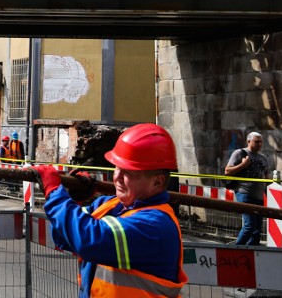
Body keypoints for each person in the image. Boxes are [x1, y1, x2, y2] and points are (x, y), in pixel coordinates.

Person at [34, 123, 187, 297]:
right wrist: (74, 200)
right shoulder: (109, 205)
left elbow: (88, 241)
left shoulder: (156, 226)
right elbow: (63, 237)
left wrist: (55, 193)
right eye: (117, 167)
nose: (117, 177)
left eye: (128, 172)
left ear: (157, 182)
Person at [224, 131, 269, 246]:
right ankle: (236, 250)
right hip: (244, 194)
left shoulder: (263, 158)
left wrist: (269, 195)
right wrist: (243, 165)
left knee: (257, 230)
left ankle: (253, 253)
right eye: (256, 141)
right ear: (248, 141)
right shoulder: (240, 153)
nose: (259, 144)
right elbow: (227, 171)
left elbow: (266, 179)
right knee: (250, 226)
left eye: (260, 142)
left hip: (259, 197)